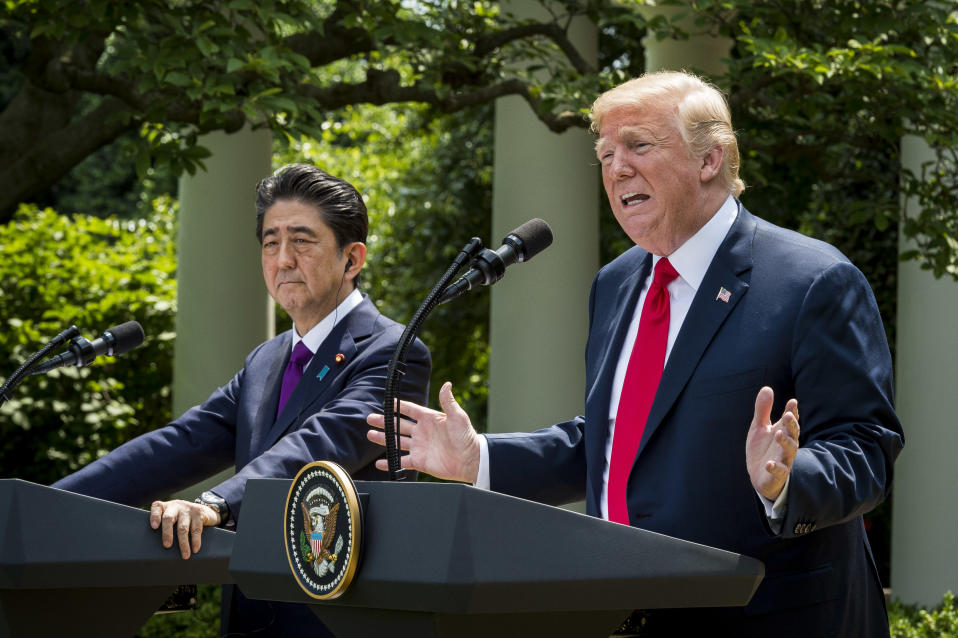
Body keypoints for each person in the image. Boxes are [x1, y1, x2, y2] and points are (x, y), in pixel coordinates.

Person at [367, 71, 903, 637]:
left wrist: (788, 479)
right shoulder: (616, 283)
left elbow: (865, 446)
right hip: (625, 612)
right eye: (604, 154)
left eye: (639, 146)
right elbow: (614, 441)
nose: (616, 168)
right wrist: (480, 459)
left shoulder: (813, 280)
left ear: (710, 159)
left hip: (771, 616)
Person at [54, 163, 432, 636]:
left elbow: (321, 445)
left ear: (352, 259)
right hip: (252, 618)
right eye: (271, 243)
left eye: (302, 241)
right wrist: (47, 504)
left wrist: (215, 503)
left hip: (341, 619)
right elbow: (182, 442)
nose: (283, 259)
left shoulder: (394, 352)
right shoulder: (265, 360)